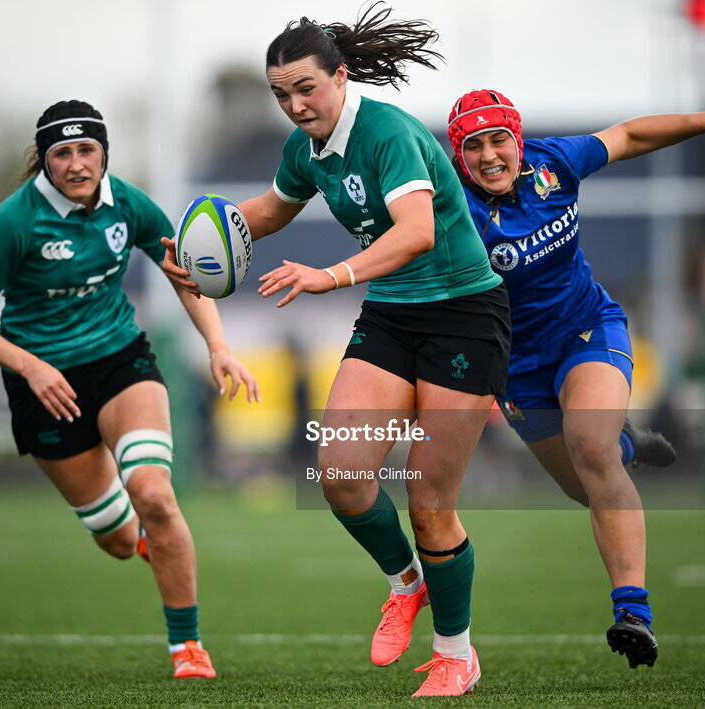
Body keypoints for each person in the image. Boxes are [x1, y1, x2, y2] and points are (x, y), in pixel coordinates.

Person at [164, 4, 508, 697]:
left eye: (306, 89)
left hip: (463, 316)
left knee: (429, 498)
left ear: (341, 77)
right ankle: (405, 585)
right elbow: (264, 214)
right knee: (341, 473)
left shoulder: (385, 133)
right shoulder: (304, 150)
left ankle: (455, 653)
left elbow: (414, 231)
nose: (294, 105)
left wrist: (331, 275)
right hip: (391, 316)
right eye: (280, 94)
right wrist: (196, 247)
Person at [445, 87, 705, 668]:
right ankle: (627, 443)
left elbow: (627, 136)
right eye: (474, 146)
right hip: (516, 367)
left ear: (517, 141)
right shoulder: (450, 211)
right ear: (458, 153)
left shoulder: (554, 165)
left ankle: (633, 613)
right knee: (585, 483)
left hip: (587, 330)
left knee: (590, 446)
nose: (490, 155)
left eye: (499, 140)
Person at [0, 99, 259, 680]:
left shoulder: (129, 204)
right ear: (44, 159)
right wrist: (31, 368)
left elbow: (185, 274)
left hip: (120, 361)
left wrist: (216, 344)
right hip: (42, 386)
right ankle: (144, 540)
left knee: (155, 494)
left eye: (86, 149)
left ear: (103, 153)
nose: (75, 163)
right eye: (61, 153)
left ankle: (187, 647)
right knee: (118, 540)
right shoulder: (13, 222)